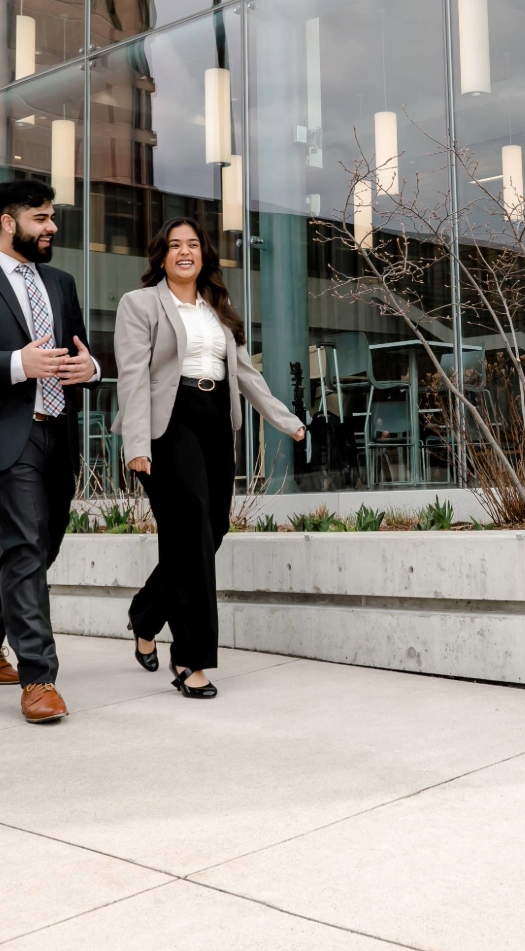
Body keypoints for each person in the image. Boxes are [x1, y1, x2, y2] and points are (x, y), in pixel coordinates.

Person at [114, 218, 305, 698]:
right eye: (174, 245)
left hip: (216, 418)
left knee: (210, 529)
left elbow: (245, 374)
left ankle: (145, 613)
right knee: (192, 522)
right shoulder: (139, 305)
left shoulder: (219, 308)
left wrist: (286, 420)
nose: (184, 252)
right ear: (161, 256)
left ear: (204, 255)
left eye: (193, 245)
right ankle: (191, 659)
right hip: (169, 421)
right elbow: (133, 377)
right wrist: (136, 445)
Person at [0, 179, 99, 724]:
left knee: (40, 547)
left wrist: (90, 370)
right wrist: (15, 364)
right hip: (4, 436)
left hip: (58, 431)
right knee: (25, 546)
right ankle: (39, 678)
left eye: (52, 218)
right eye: (42, 218)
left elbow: (80, 351)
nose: (52, 228)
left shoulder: (62, 281)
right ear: (9, 221)